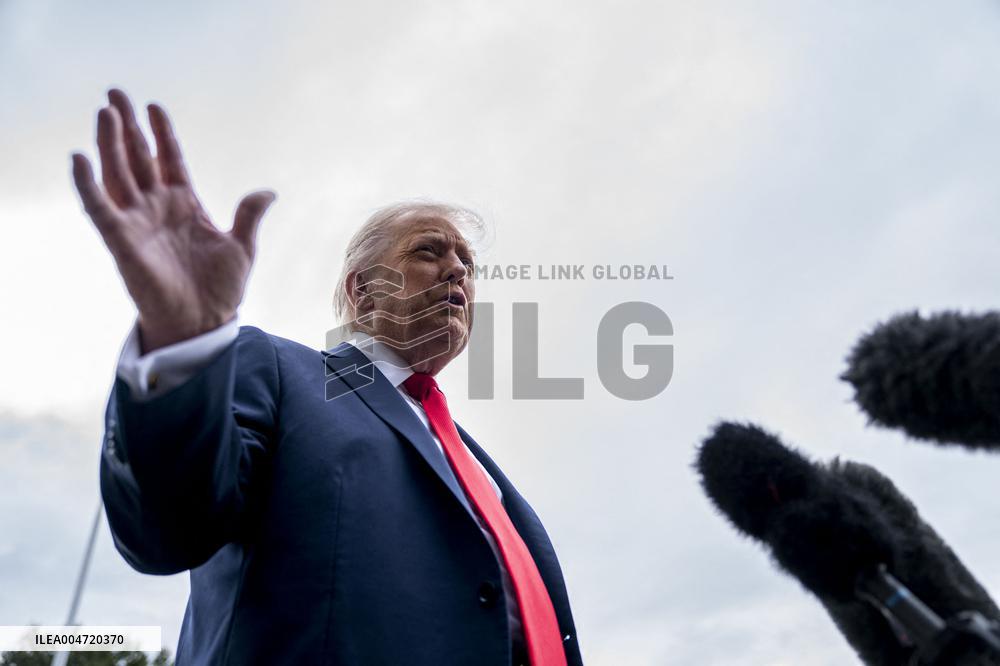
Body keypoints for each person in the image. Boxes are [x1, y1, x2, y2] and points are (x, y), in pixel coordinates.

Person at [71, 89, 583, 666]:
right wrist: (182, 343)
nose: (457, 272)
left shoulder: (482, 471)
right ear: (361, 289)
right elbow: (166, 529)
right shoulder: (280, 372)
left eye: (468, 264)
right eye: (430, 251)